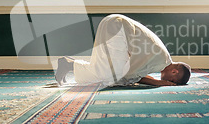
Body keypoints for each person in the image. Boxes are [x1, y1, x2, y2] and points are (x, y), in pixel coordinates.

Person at [55, 14, 191, 86]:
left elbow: (136, 75)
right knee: (111, 78)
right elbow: (130, 77)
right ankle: (68, 64)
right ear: (174, 71)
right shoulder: (160, 60)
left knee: (106, 70)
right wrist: (157, 82)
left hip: (114, 24)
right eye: (172, 81)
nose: (168, 82)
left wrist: (156, 82)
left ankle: (69, 63)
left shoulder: (162, 59)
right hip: (117, 27)